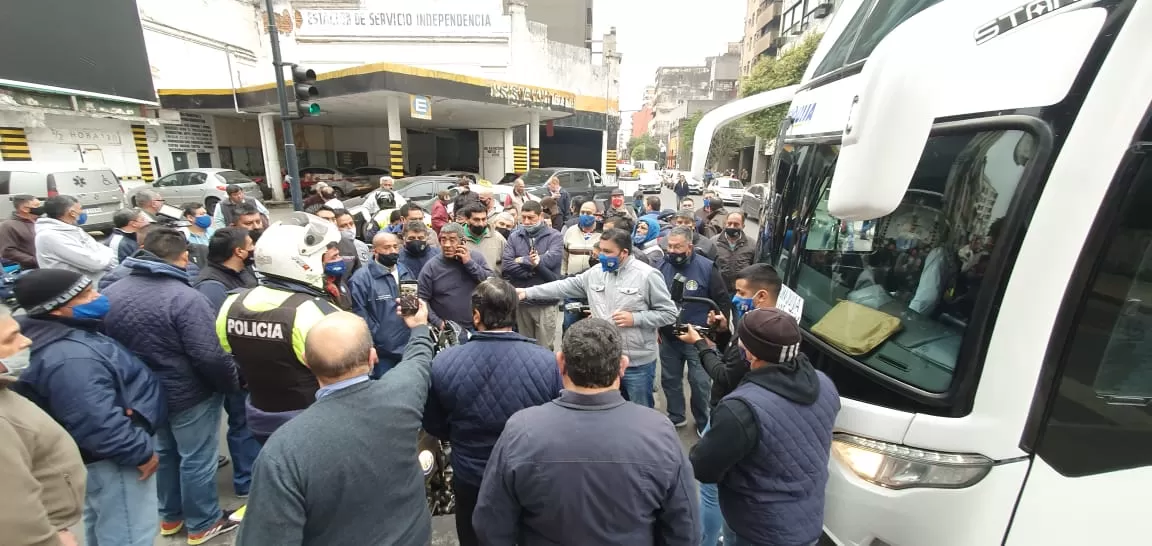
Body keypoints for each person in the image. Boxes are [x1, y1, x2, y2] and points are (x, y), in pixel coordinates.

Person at [474, 318, 699, 545]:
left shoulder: (521, 430)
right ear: (623, 365)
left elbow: (490, 524)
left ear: (560, 362)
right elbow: (685, 528)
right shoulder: (659, 432)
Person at [236, 309, 435, 546]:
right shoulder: (402, 393)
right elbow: (418, 358)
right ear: (373, 357)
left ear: (305, 361)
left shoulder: (282, 451)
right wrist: (420, 327)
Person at [101, 228, 241, 544]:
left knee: (165, 452)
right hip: (189, 393)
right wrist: (229, 383)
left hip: (143, 394)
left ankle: (170, 517)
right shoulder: (185, 297)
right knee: (197, 458)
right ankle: (203, 523)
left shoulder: (112, 293)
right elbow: (209, 355)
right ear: (182, 257)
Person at [12, 269, 165, 546]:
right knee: (129, 532)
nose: (98, 297)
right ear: (56, 309)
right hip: (114, 460)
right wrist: (139, 452)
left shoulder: (66, 334)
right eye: (85, 296)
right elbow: (95, 419)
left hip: (97, 458)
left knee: (104, 522)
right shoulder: (70, 357)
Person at [423, 279, 561, 545]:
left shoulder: (443, 362)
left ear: (476, 316)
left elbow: (435, 425)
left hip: (471, 474)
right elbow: (554, 422)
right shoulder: (545, 361)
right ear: (514, 313)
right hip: (526, 473)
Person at [688, 308, 839, 546]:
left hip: (756, 528)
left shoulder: (740, 408)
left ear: (751, 355)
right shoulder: (824, 383)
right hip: (807, 519)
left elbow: (704, 468)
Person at [217, 213, 344, 443]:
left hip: (260, 419)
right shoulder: (316, 313)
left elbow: (230, 358)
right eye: (323, 256)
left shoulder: (232, 304)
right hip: (312, 423)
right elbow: (344, 377)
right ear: (300, 261)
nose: (331, 261)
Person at [678, 263, 781, 546]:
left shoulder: (758, 330)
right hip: (744, 412)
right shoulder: (768, 324)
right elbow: (734, 361)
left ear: (761, 296)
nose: (735, 298)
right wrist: (723, 334)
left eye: (740, 292)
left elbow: (725, 373)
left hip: (731, 412)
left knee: (710, 489)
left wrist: (701, 344)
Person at [516, 228, 677, 406]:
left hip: (636, 364)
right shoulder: (596, 273)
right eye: (601, 250)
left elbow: (669, 313)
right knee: (606, 410)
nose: (601, 256)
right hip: (604, 360)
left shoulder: (647, 275)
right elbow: (563, 286)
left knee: (639, 411)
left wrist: (636, 318)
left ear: (624, 252)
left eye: (608, 252)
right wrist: (527, 292)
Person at [0, 301, 86, 546]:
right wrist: (51, 540)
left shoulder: (5, 386)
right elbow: (12, 514)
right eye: (11, 339)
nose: (26, 341)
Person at [192, 227, 262, 498]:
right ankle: (247, 482)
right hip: (239, 370)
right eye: (249, 245)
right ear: (238, 251)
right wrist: (238, 372)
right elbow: (219, 336)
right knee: (243, 423)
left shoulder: (241, 273)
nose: (253, 249)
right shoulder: (212, 285)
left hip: (253, 364)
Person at [656, 227, 731, 436]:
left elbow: (722, 301)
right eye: (669, 246)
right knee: (670, 379)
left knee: (700, 382)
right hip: (669, 336)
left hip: (698, 337)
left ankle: (703, 422)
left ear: (689, 247)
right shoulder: (661, 266)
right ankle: (676, 416)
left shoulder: (707, 268)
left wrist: (719, 325)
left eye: (677, 246)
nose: (672, 250)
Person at [349, 232, 416, 378]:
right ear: (375, 250)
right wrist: (375, 342)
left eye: (395, 247)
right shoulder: (361, 279)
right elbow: (359, 316)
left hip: (409, 347)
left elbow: (411, 307)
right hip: (383, 353)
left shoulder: (405, 271)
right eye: (387, 247)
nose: (392, 251)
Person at [502, 201, 563, 348]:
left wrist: (522, 260)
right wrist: (533, 268)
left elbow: (551, 260)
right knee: (524, 347)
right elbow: (507, 264)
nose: (527, 222)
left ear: (540, 216)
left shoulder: (554, 236)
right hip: (523, 302)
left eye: (531, 217)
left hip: (545, 302)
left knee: (544, 348)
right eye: (524, 217)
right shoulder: (514, 236)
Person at [418, 223, 492, 329]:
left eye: (452, 240)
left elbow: (490, 283)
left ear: (463, 242)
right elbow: (422, 299)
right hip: (449, 331)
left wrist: (469, 263)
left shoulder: (476, 258)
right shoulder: (431, 267)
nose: (447, 245)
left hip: (478, 327)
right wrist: (438, 323)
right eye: (443, 240)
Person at [34, 195, 116, 284]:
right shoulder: (49, 236)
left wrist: (106, 255)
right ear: (72, 213)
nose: (82, 212)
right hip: (75, 289)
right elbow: (95, 263)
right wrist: (108, 255)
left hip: (94, 281)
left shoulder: (72, 229)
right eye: (80, 209)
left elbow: (99, 248)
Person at [713, 211, 756, 293]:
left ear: (743, 226)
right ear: (725, 224)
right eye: (729, 223)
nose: (732, 227)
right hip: (719, 291)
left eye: (736, 224)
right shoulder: (714, 242)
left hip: (742, 292)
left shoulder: (752, 244)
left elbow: (756, 270)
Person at [460, 202, 506, 275]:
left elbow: (506, 264)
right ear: (466, 220)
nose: (481, 224)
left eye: (484, 219)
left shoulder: (498, 238)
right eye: (476, 220)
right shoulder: (458, 239)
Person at [0, 194, 42, 270]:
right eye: (37, 206)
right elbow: (8, 251)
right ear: (25, 209)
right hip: (31, 269)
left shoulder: (41, 221)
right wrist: (34, 260)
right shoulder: (8, 225)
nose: (41, 208)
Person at [562, 200, 601, 276]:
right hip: (572, 280)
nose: (584, 215)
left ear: (597, 215)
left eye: (589, 213)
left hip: (594, 280)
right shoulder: (570, 231)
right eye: (582, 212)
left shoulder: (602, 234)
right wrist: (563, 275)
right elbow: (564, 258)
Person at [334, 208, 370, 274]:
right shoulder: (333, 250)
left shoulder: (362, 245)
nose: (349, 228)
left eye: (351, 223)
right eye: (343, 226)